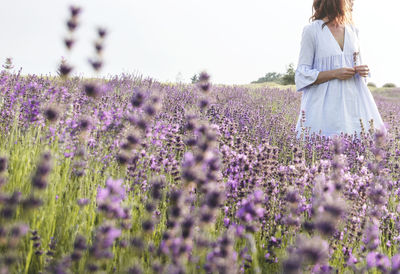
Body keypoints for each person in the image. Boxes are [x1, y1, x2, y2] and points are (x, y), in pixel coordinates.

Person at [294, 0, 386, 138]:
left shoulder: (353, 30)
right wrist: (335, 73)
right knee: (322, 149)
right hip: (323, 109)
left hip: (353, 105)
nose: (351, 3)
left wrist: (363, 71)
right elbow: (302, 74)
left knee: (357, 149)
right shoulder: (312, 31)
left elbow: (359, 65)